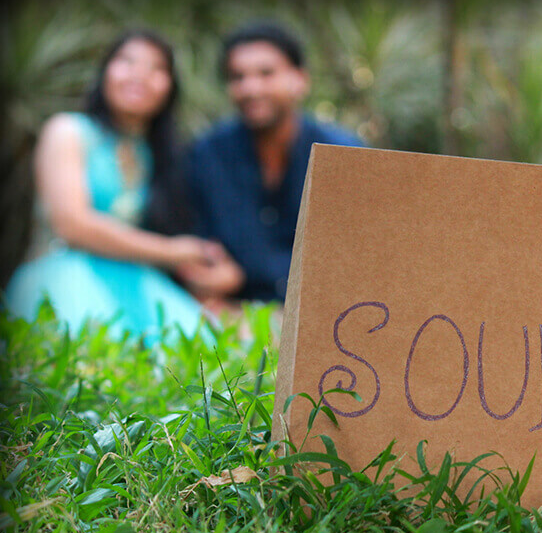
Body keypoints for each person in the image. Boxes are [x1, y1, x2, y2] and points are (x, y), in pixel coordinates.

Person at [3, 30, 242, 343]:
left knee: (205, 348)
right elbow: (72, 225)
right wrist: (172, 251)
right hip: (65, 274)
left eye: (156, 68)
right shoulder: (67, 130)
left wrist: (206, 265)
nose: (139, 75)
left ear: (170, 87)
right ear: (105, 72)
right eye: (127, 61)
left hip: (137, 279)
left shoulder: (160, 155)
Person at [182, 22, 363, 305]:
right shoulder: (207, 154)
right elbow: (198, 247)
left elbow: (360, 257)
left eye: (266, 73)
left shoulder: (344, 155)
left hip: (324, 312)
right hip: (234, 313)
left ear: (300, 80)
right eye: (238, 77)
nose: (251, 88)